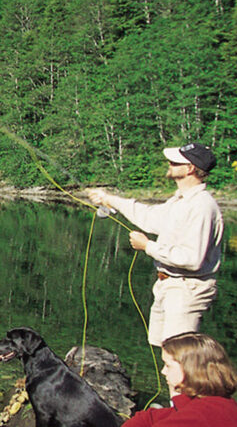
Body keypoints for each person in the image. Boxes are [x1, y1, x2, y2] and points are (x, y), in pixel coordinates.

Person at [87, 143, 224, 346]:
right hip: (168, 284)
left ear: (190, 169)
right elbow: (149, 217)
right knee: (165, 349)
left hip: (187, 288)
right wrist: (109, 199)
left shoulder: (201, 206)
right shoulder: (180, 201)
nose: (168, 164)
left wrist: (147, 246)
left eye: (174, 162)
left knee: (180, 355)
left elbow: (192, 259)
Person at [122, 332, 237, 426]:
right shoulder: (220, 402)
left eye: (168, 365)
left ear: (190, 369)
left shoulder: (198, 416)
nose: (163, 371)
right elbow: (149, 417)